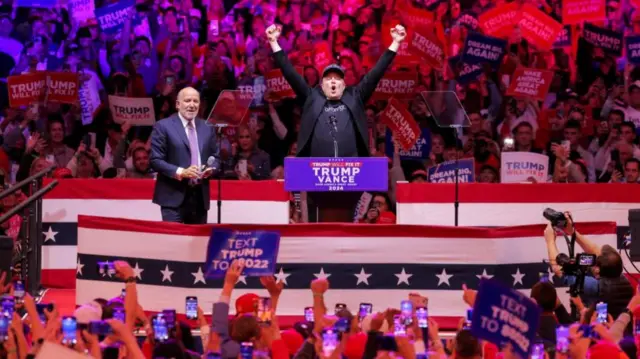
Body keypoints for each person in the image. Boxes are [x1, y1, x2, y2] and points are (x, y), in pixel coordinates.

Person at [265, 23, 406, 157]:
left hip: (351, 169)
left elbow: (376, 72)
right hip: (317, 168)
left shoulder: (355, 96)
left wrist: (395, 43)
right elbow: (290, 73)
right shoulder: (312, 97)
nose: (333, 81)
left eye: (337, 78)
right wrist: (273, 43)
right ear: (321, 85)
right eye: (328, 78)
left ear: (344, 85)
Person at [150, 87, 218, 224]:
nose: (192, 105)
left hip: (199, 197)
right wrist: (181, 172)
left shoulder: (207, 127)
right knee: (174, 243)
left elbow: (216, 157)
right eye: (187, 100)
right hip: (172, 197)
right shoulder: (163, 126)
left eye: (195, 101)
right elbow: (155, 160)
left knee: (197, 243)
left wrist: (211, 169)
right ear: (177, 104)